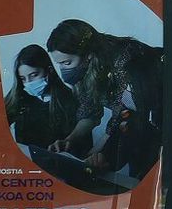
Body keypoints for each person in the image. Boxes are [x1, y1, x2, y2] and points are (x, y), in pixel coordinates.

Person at [46, 19, 164, 179]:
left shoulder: (129, 65)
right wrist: (69, 140)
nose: (63, 70)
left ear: (88, 55)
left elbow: (128, 118)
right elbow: (89, 113)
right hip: (135, 126)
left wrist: (102, 155)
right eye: (59, 64)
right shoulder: (87, 69)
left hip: (159, 131)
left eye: (67, 63)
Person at [4, 44, 80, 149]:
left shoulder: (69, 100)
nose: (28, 83)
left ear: (49, 71)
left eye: (34, 75)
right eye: (23, 78)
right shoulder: (20, 99)